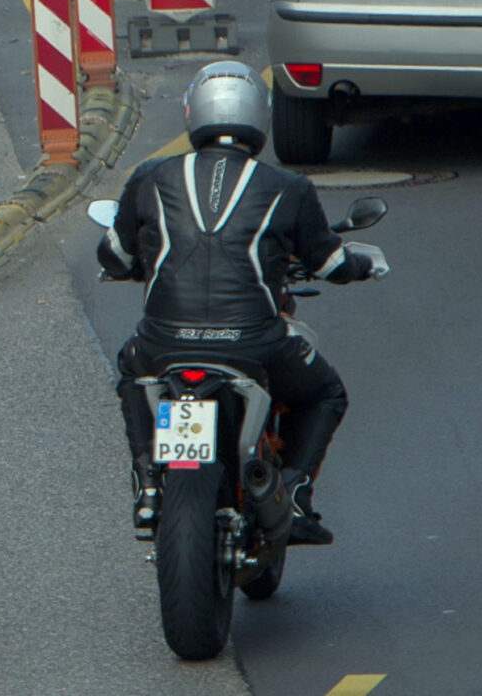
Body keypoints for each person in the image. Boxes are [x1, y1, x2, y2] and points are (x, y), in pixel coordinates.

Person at [98, 61, 389, 546]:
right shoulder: (288, 187)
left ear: (193, 112)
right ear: (261, 116)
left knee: (131, 369)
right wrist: (361, 265)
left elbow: (112, 254)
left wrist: (139, 263)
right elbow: (330, 264)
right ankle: (294, 495)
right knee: (325, 392)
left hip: (163, 343)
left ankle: (148, 479)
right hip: (253, 345)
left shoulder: (149, 177)